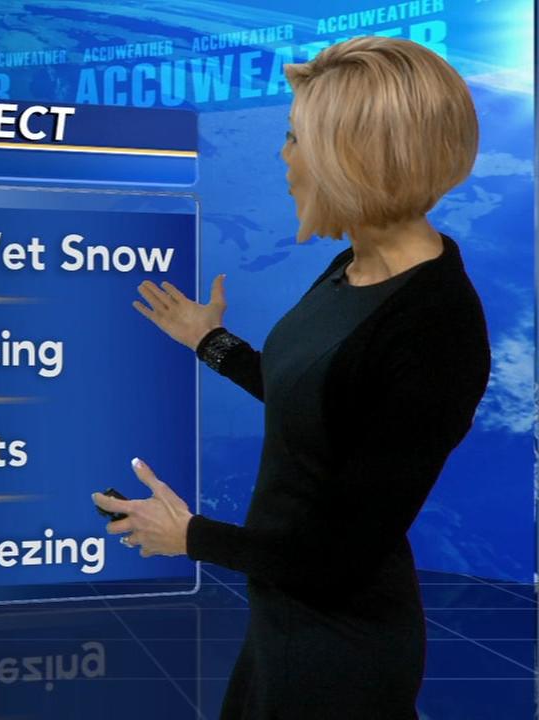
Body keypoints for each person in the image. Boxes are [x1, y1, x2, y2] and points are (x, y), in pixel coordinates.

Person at [90, 35, 492, 719]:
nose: (284, 157)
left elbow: (338, 557)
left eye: (295, 138)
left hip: (341, 652)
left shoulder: (437, 330)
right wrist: (209, 342)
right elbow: (317, 401)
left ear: (353, 156)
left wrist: (187, 535)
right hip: (285, 621)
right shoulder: (355, 267)